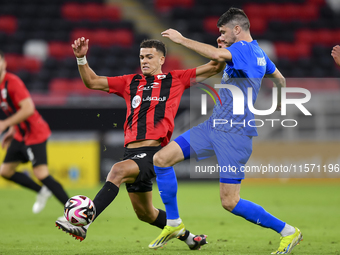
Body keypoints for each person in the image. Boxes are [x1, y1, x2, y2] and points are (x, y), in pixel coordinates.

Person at [149, 7, 303, 254]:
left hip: (235, 135)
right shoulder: (260, 54)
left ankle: (288, 231)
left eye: (223, 31)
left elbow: (214, 53)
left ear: (238, 29)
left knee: (230, 202)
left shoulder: (242, 49)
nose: (221, 36)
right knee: (162, 158)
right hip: (214, 126)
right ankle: (174, 223)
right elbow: (280, 79)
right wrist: (280, 102)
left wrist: (181, 40)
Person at [55, 37, 225, 250]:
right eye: (141, 57)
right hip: (131, 153)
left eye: (149, 57)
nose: (144, 61)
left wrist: (222, 48)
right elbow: (92, 81)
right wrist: (81, 59)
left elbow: (215, 66)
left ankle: (85, 223)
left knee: (116, 172)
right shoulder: (130, 82)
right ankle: (191, 239)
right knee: (146, 214)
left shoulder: (176, 79)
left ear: (162, 59)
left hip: (155, 152)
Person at [0, 50, 69, 215]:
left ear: (4, 63)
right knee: (5, 171)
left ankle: (72, 210)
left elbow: (28, 108)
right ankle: (42, 191)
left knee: (41, 173)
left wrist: (5, 124)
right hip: (19, 134)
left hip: (34, 132)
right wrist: (12, 129)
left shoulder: (12, 82)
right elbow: (14, 110)